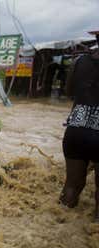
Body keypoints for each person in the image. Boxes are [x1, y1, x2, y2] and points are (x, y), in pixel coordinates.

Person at [59, 30, 99, 222]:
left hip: (76, 129)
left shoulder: (79, 62)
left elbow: (68, 92)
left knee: (72, 186)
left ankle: (59, 221)